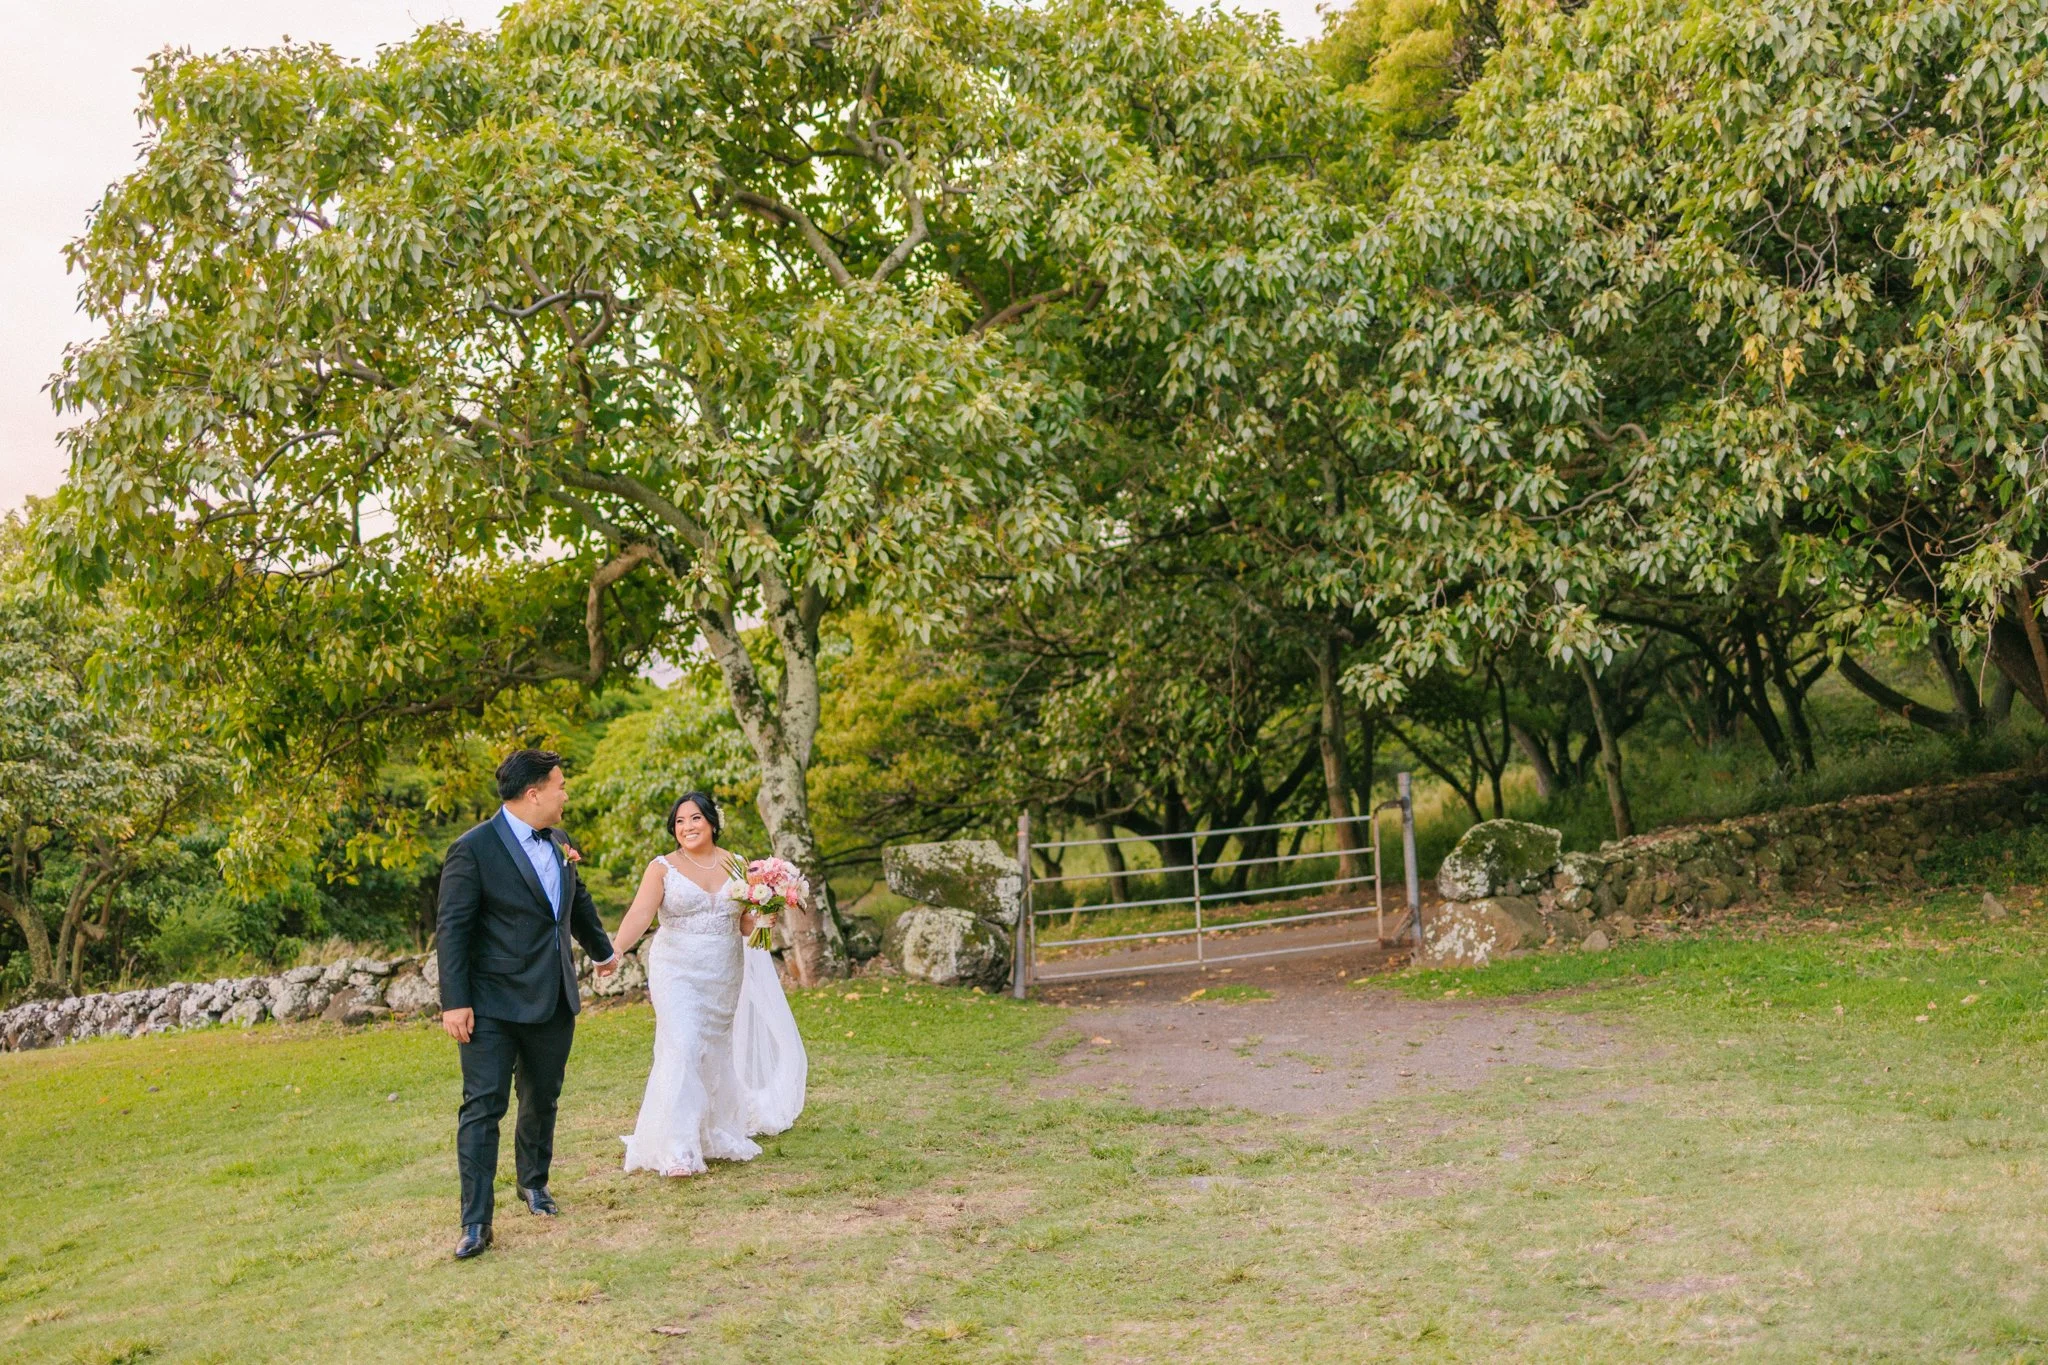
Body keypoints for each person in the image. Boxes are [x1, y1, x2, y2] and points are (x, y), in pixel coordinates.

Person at [436, 748, 619, 1260]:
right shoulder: (471, 849)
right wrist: (455, 1003)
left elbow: (575, 902)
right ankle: (476, 1221)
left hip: (553, 994)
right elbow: (452, 931)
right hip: (490, 1004)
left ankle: (533, 1183)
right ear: (533, 793)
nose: (566, 794)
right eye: (560, 785)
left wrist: (602, 951)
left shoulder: (560, 841)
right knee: (483, 1108)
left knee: (542, 1097)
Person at [611, 790, 808, 1176]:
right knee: (682, 1044)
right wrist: (616, 949)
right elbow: (640, 913)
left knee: (714, 1049)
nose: (687, 827)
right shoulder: (662, 868)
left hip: (723, 970)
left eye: (695, 818)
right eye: (680, 822)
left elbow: (745, 924)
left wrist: (768, 913)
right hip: (676, 969)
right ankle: (677, 1148)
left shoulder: (737, 865)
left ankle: (712, 1130)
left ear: (712, 822)